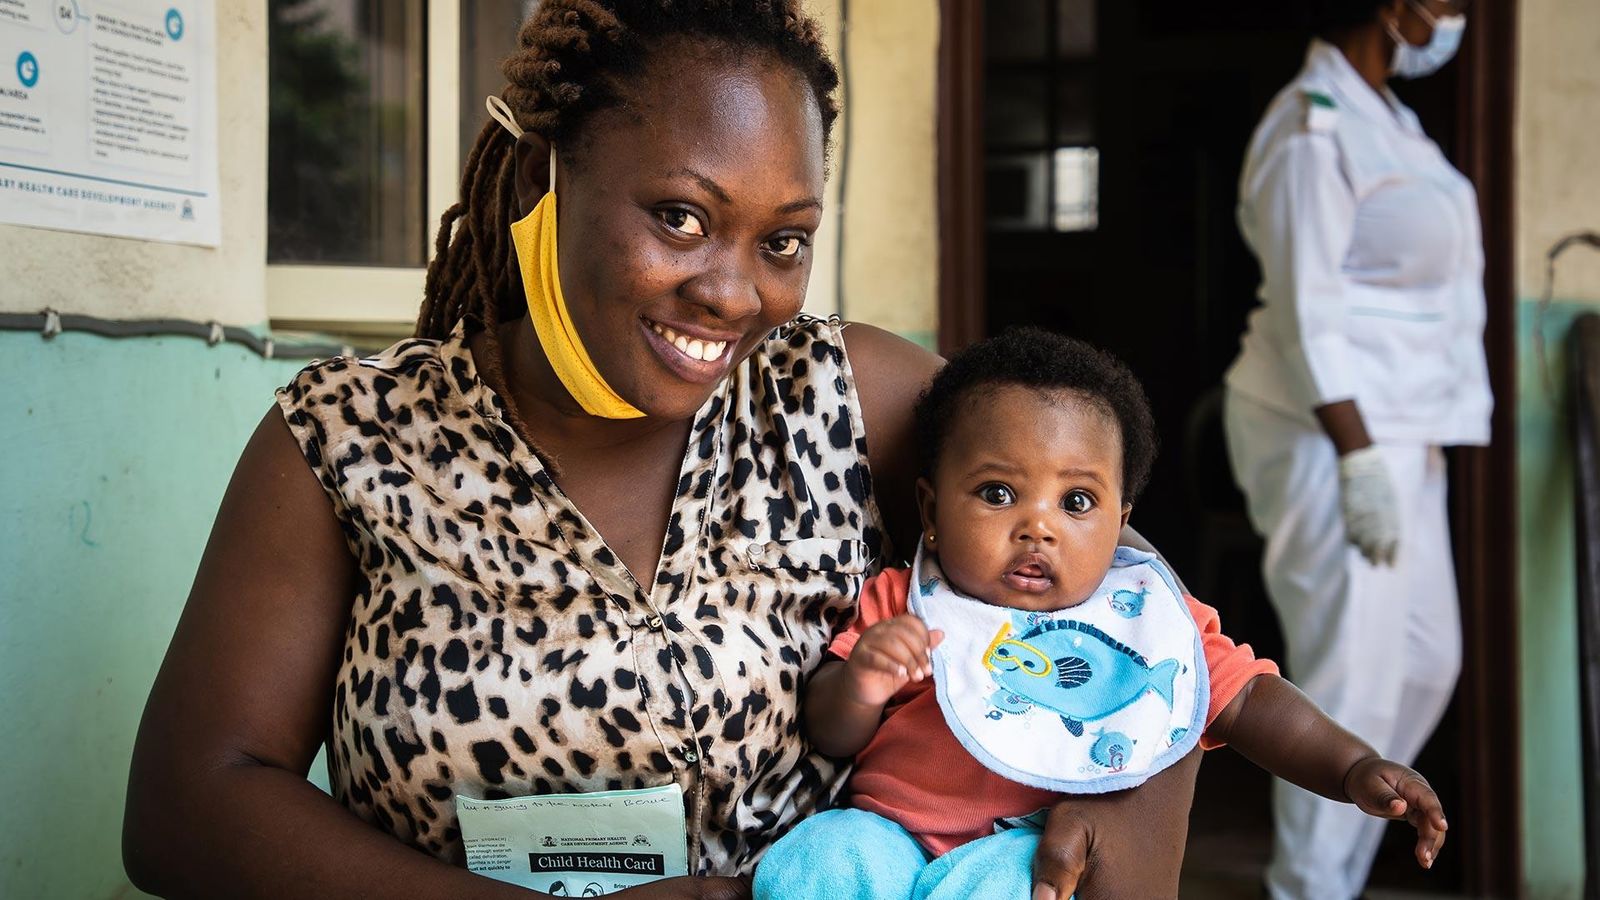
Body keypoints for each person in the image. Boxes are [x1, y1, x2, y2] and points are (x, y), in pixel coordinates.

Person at [120, 3, 1199, 898]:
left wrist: (1127, 799)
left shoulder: (843, 396)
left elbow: (1127, 589)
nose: (734, 292)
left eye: (782, 241)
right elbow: (188, 805)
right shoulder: (350, 442)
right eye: (680, 217)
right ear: (549, 176)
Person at [752, 329, 1448, 900]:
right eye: (997, 493)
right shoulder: (903, 602)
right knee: (823, 857)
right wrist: (861, 685)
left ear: (1120, 524)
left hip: (1018, 849)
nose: (1038, 528)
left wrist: (1352, 765)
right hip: (888, 838)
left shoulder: (1142, 618)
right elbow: (830, 732)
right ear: (932, 511)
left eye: (1076, 503)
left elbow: (1250, 701)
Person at [1222, 1, 1491, 897]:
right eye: (1447, 1)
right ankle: (1309, 885)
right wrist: (1360, 454)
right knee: (1350, 684)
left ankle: (1335, 862)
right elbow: (1308, 308)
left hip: (1401, 440)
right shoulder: (1311, 127)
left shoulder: (1393, 121)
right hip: (1328, 438)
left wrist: (1415, 444)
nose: (1455, 17)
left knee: (1423, 661)